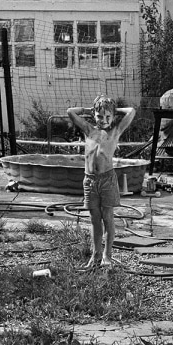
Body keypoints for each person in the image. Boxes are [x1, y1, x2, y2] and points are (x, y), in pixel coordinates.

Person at [67, 95, 136, 269]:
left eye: (107, 117)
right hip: (90, 180)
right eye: (99, 116)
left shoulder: (116, 131)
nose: (103, 120)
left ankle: (107, 255)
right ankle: (95, 254)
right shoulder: (89, 130)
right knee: (94, 219)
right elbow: (70, 112)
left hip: (107, 180)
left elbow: (132, 111)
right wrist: (89, 110)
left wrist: (114, 109)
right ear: (93, 116)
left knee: (108, 217)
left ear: (113, 117)